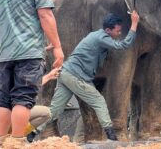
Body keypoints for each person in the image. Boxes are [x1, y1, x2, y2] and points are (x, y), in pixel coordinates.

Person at [0, 0, 64, 147]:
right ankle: (17, 142)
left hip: (3, 53)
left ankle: (1, 141)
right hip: (27, 53)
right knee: (22, 98)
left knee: (3, 99)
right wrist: (57, 48)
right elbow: (45, 15)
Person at [35, 12, 140, 141]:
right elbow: (123, 45)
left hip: (66, 73)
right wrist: (134, 24)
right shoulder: (102, 38)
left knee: (55, 110)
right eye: (117, 31)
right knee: (99, 101)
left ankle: (32, 133)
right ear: (108, 30)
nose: (119, 33)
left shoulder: (95, 35)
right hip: (75, 76)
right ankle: (112, 137)